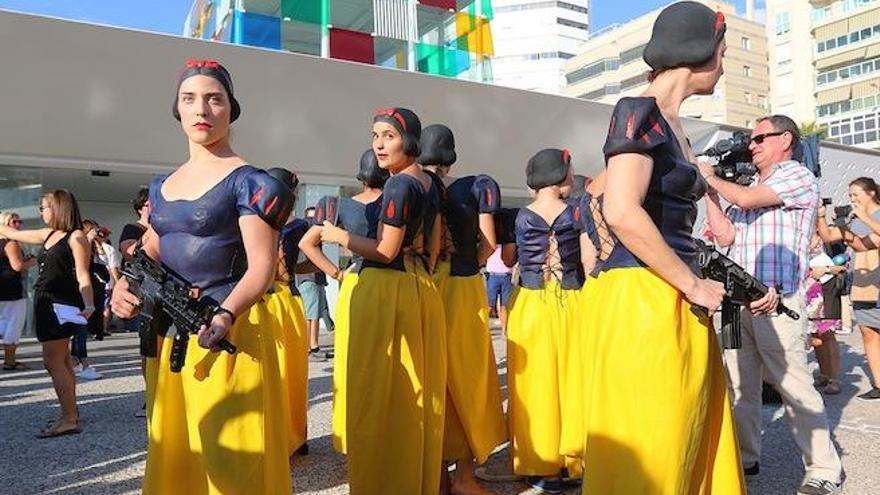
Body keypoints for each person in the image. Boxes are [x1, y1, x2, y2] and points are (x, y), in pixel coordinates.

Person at [581, 3, 745, 493]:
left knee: (685, 434)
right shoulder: (639, 112)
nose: (723, 63)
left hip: (668, 293)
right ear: (699, 51)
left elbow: (616, 199)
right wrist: (691, 281)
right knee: (655, 442)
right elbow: (622, 210)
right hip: (643, 297)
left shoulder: (672, 125)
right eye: (722, 51)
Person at [111, 59, 294, 494]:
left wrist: (227, 314)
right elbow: (152, 245)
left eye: (214, 99)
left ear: (231, 108)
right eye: (189, 99)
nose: (202, 110)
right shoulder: (162, 185)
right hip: (172, 333)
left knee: (233, 465)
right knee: (175, 458)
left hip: (229, 332)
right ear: (177, 110)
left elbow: (262, 266)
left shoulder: (251, 181)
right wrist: (124, 284)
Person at [703, 113, 844, 495]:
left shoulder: (796, 175)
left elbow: (747, 200)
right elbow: (726, 233)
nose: (752, 145)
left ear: (785, 139)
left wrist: (707, 175)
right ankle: (747, 456)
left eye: (760, 138)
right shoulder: (747, 184)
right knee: (739, 385)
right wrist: (710, 194)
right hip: (736, 301)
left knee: (794, 386)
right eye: (752, 139)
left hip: (774, 300)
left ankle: (824, 469)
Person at [318, 107, 447, 494]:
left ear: (409, 139)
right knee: (416, 394)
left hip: (383, 289)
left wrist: (338, 237)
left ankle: (381, 482)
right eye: (375, 135)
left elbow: (386, 250)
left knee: (375, 393)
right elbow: (436, 245)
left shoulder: (398, 186)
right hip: (419, 286)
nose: (378, 143)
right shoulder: (430, 183)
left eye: (389, 135)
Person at [418, 124, 507, 495]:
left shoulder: (413, 185)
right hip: (464, 281)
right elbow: (488, 244)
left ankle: (435, 472)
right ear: (452, 152)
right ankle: (465, 475)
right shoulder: (476, 185)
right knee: (469, 375)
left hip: (425, 283)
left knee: (431, 375)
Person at [503, 148, 593, 493]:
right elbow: (588, 260)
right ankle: (576, 463)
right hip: (572, 299)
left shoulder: (520, 216)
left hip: (531, 302)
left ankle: (545, 471)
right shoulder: (578, 211)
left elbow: (510, 257)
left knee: (535, 385)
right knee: (574, 380)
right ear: (560, 174)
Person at [299, 148, 388, 455]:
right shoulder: (394, 204)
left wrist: (337, 273)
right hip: (392, 284)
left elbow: (306, 243)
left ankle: (355, 430)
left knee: (354, 360)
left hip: (356, 284)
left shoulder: (341, 206)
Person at [0, 190, 94, 438]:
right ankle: (69, 414)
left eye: (44, 207)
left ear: (59, 208)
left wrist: (90, 305)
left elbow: (83, 275)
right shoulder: (49, 234)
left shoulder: (76, 237)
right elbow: (11, 233)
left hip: (59, 304)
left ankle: (69, 418)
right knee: (61, 361)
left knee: (54, 362)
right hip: (47, 302)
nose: (41, 212)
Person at [817, 177, 880, 402]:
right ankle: (878, 384)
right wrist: (823, 216)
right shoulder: (854, 220)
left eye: (855, 194)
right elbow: (834, 238)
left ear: (871, 193)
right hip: (864, 286)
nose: (851, 198)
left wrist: (863, 217)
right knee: (868, 333)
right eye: (850, 194)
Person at [265, 167, 312, 458]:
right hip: (285, 299)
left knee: (278, 374)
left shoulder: (251, 220)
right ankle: (294, 437)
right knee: (291, 373)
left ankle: (279, 437)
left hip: (266, 300)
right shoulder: (299, 226)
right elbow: (313, 262)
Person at [118, 187, 153, 417]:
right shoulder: (134, 228)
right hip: (144, 289)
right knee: (148, 346)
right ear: (142, 207)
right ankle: (150, 396)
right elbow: (130, 251)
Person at [805, 230, 846, 396]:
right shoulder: (799, 234)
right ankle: (823, 374)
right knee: (815, 334)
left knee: (828, 334)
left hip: (827, 291)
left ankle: (834, 379)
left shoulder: (829, 236)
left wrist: (826, 269)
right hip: (807, 292)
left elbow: (844, 264)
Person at [0, 211, 36, 370]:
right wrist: (33, 261)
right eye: (14, 222)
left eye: (19, 221)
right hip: (11, 290)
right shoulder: (10, 243)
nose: (19, 225)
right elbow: (17, 266)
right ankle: (9, 361)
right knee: (13, 325)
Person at [298, 206, 333, 361]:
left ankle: (314, 346)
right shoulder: (304, 234)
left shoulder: (315, 238)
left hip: (317, 279)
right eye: (312, 218)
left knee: (316, 315)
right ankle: (308, 348)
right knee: (310, 315)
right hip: (308, 279)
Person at [485, 247, 513, 335]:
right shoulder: (491, 243)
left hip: (507, 275)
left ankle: (504, 330)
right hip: (493, 275)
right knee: (490, 305)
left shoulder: (508, 241)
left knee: (505, 305)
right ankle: (485, 328)